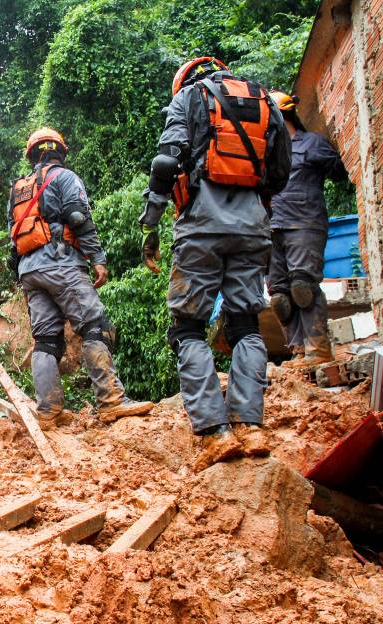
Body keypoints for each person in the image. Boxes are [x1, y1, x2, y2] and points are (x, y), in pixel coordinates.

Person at [138, 57, 291, 470]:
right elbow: (280, 171)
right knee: (245, 323)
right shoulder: (265, 101)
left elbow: (167, 162)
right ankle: (251, 425)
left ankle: (214, 432)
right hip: (253, 227)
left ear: (184, 81)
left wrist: (151, 222)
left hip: (200, 226)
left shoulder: (190, 97)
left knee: (187, 326)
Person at [9, 127, 154, 427]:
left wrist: (22, 276)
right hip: (60, 262)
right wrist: (97, 259)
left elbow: (14, 239)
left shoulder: (18, 189)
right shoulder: (65, 177)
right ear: (59, 152)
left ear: (32, 155)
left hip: (30, 270)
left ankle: (48, 411)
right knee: (96, 326)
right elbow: (78, 218)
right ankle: (111, 401)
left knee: (46, 340)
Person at [267, 90, 348, 368]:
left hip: (304, 223)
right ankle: (299, 351)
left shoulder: (311, 143)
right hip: (272, 228)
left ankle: (319, 349)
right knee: (279, 295)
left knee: (303, 286)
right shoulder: (265, 155)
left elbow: (340, 172)